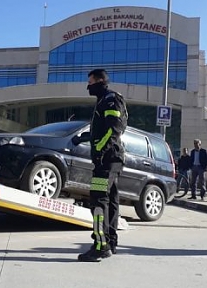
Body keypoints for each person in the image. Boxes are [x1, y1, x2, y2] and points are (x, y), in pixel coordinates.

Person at [72, 69, 128, 262]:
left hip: (106, 160)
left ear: (101, 81)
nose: (88, 86)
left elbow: (114, 128)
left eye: (90, 82)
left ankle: (100, 245)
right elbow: (103, 130)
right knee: (110, 200)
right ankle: (110, 242)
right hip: (110, 159)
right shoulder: (104, 100)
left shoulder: (110, 99)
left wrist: (99, 149)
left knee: (97, 200)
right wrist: (84, 138)